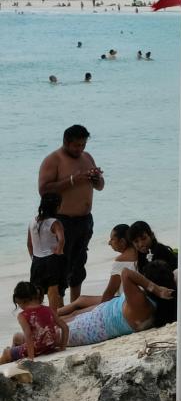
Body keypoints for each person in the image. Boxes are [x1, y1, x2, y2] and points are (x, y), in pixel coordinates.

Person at [37, 125, 105, 302]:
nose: (80, 149)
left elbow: (100, 187)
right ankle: (58, 307)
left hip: (84, 220)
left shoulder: (87, 157)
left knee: (78, 265)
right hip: (62, 220)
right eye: (76, 145)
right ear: (66, 142)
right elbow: (44, 190)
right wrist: (73, 180)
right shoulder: (53, 160)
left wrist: (96, 179)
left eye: (83, 145)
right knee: (60, 266)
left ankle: (75, 305)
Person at [64, 266, 173, 347]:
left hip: (98, 321)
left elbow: (125, 272)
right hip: (105, 318)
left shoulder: (141, 301)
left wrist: (156, 289)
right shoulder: (157, 307)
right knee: (73, 313)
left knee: (59, 325)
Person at [58, 224, 136, 317]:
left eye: (112, 239)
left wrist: (100, 310)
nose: (109, 243)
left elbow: (110, 292)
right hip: (130, 298)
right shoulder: (140, 253)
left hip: (121, 301)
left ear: (122, 241)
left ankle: (52, 316)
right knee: (81, 300)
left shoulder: (121, 260)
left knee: (78, 306)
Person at [2, 282, 68, 364]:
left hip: (36, 349)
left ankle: (10, 357)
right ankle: (14, 355)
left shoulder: (23, 315)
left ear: (19, 300)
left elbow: (28, 336)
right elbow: (65, 327)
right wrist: (62, 347)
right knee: (17, 337)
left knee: (6, 353)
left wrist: (30, 358)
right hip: (50, 346)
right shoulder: (49, 309)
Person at [27, 193, 65, 311]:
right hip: (51, 260)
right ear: (57, 206)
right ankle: (53, 317)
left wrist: (33, 258)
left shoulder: (32, 221)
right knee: (52, 291)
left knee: (37, 292)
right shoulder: (55, 222)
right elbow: (62, 238)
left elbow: (29, 244)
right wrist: (59, 250)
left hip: (37, 261)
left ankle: (37, 316)